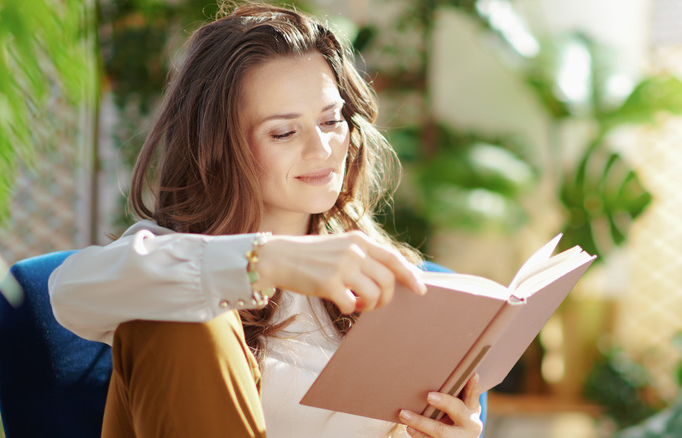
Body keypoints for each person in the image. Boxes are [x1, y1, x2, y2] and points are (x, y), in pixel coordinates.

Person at [49, 2, 484, 437]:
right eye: (284, 132)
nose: (322, 149)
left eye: (331, 120)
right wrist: (266, 260)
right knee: (180, 309)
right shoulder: (168, 261)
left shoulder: (389, 284)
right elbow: (67, 291)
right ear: (220, 146)